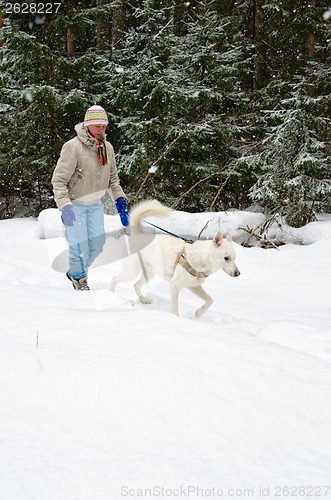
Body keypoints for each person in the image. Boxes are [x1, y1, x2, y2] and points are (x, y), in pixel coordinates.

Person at [51, 105, 129, 291]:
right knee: (78, 246)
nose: (101, 130)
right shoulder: (73, 147)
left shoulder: (106, 148)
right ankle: (79, 279)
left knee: (97, 245)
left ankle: (75, 271)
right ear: (87, 125)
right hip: (75, 204)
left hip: (95, 205)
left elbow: (113, 179)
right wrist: (65, 206)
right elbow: (59, 180)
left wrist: (120, 200)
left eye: (104, 126)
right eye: (97, 126)